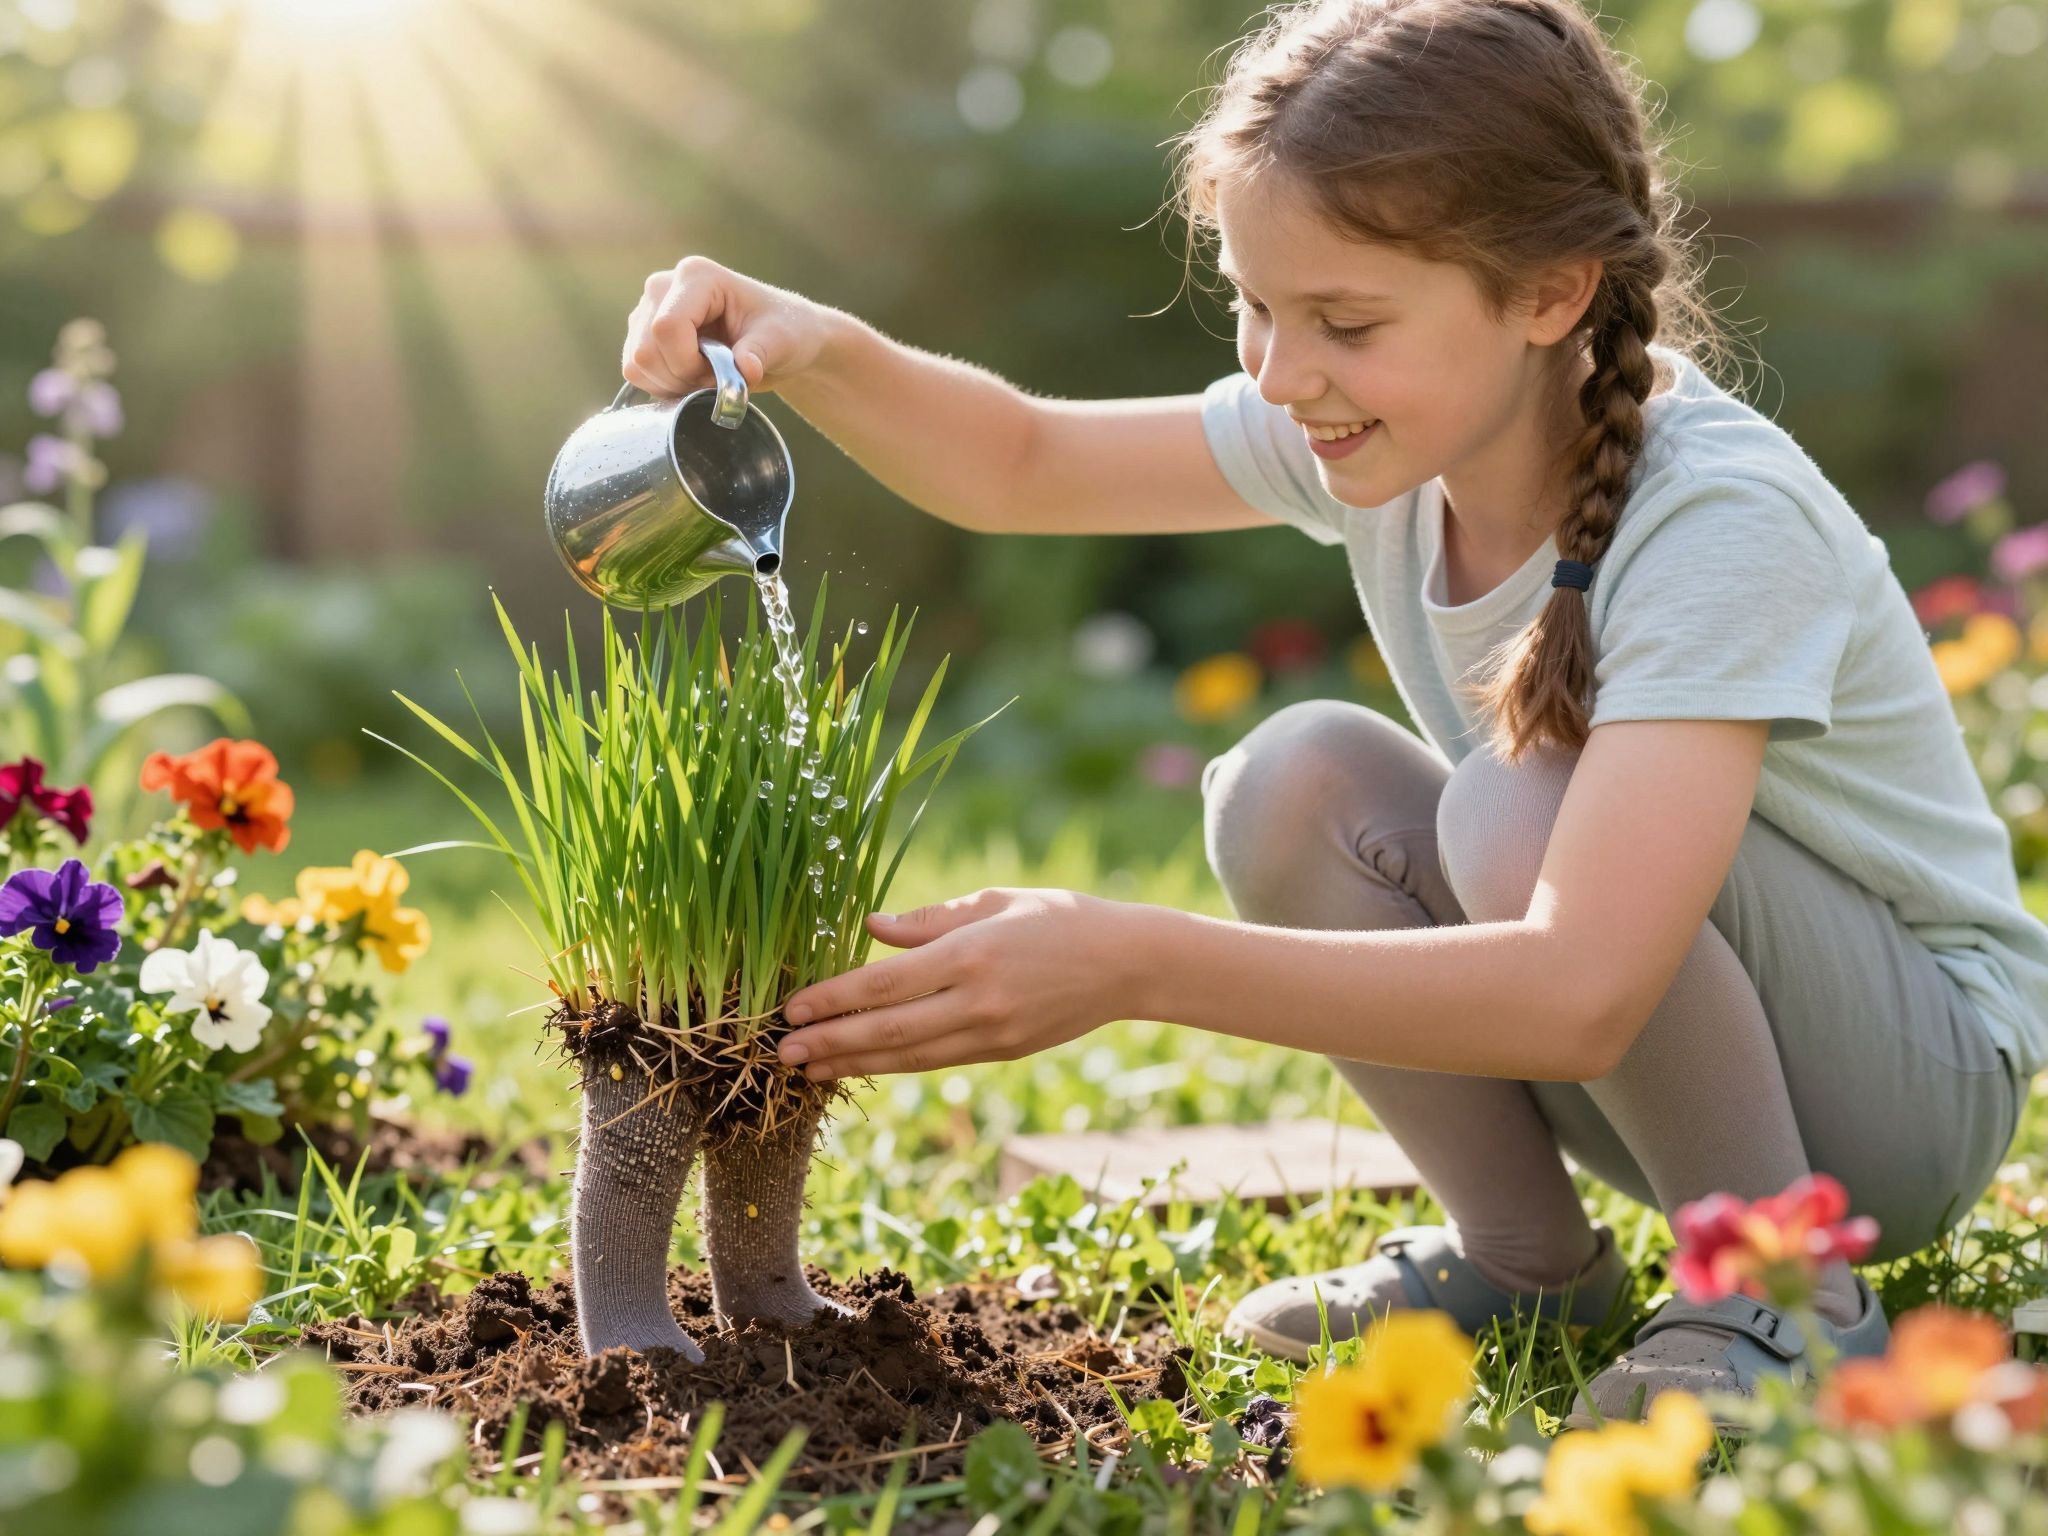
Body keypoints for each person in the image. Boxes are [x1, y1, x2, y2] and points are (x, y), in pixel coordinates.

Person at [616, 0, 2044, 1423]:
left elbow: (1585, 982)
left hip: (1900, 1093)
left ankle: (1784, 1288)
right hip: (1666, 1050)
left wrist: (1130, 963)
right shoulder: (1381, 424)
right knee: (1289, 778)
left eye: (1344, 321)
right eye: (1255, 303)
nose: (1280, 373)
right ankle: (1528, 1262)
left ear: (1550, 293)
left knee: (1508, 806)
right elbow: (1025, 462)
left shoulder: (1716, 516)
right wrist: (813, 348)